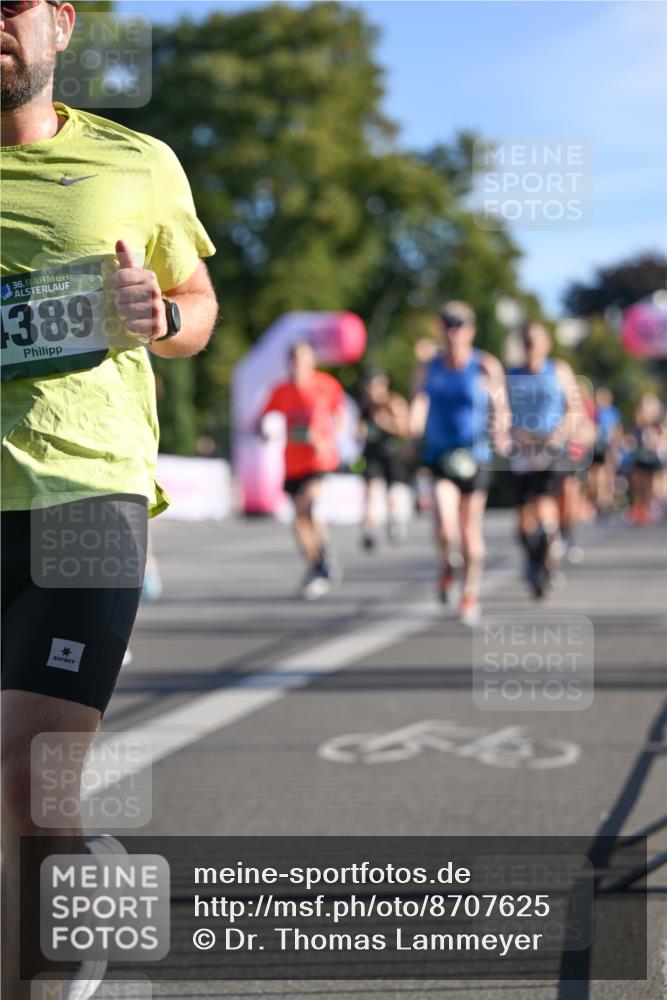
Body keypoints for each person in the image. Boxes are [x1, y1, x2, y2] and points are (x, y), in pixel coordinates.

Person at [1, 3, 218, 996]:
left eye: (10, 4)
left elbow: (200, 308)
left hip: (87, 495)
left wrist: (164, 314)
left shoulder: (139, 162)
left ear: (60, 25)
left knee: (30, 777)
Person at [409, 300, 510, 626]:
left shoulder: (484, 365)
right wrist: (413, 436)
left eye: (461, 324)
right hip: (440, 454)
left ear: (471, 329)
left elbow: (501, 406)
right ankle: (447, 565)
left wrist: (500, 431)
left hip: (475, 456)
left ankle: (470, 592)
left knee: (469, 532)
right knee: (444, 526)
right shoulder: (429, 366)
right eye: (448, 324)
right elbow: (419, 402)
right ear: (441, 329)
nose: (454, 331)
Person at [506, 322, 591, 597]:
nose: (531, 345)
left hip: (551, 450)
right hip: (520, 452)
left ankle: (547, 561)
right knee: (523, 517)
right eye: (526, 340)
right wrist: (512, 432)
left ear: (546, 344)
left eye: (535, 340)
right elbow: (498, 412)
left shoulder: (560, 370)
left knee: (544, 505)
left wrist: (560, 433)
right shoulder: (511, 376)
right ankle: (532, 558)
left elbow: (574, 409)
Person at [259, 341, 346, 599]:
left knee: (311, 504)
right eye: (293, 358)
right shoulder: (281, 391)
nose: (297, 363)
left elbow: (340, 414)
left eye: (302, 358)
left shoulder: (326, 385)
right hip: (293, 462)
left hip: (319, 460)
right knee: (299, 523)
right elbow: (263, 417)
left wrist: (329, 439)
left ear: (312, 362)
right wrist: (263, 428)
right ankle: (317, 564)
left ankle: (325, 558)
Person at [357, 370, 409, 550]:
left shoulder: (393, 403)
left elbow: (405, 429)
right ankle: (369, 530)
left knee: (391, 491)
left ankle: (394, 520)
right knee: (371, 490)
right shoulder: (365, 407)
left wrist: (386, 423)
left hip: (390, 452)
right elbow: (359, 430)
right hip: (371, 454)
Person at [625, 392, 665, 525]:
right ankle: (638, 509)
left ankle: (646, 510)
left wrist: (656, 441)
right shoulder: (636, 423)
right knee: (638, 484)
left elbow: (661, 438)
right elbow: (630, 438)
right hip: (638, 457)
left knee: (649, 485)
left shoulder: (657, 424)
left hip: (652, 457)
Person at [587, 386, 621, 517]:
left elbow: (616, 428)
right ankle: (598, 500)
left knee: (607, 474)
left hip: (608, 446)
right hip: (596, 446)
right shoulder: (595, 411)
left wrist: (615, 444)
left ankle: (607, 501)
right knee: (595, 475)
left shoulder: (613, 412)